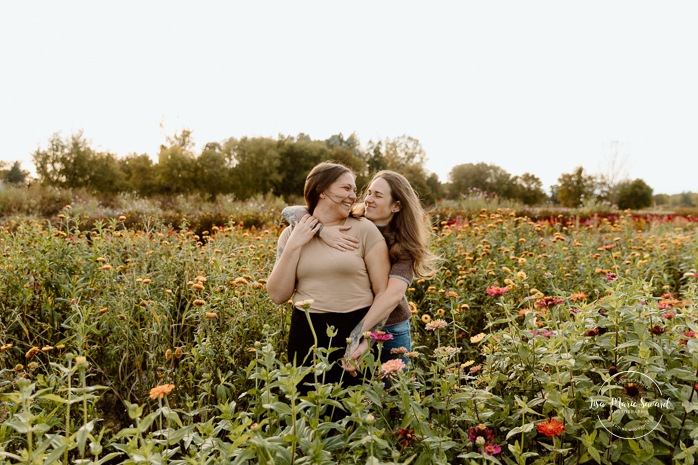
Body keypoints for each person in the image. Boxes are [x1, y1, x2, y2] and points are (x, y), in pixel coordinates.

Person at [282, 170, 439, 373]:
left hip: (390, 327)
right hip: (356, 322)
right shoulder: (354, 218)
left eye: (378, 195)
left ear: (397, 205)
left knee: (393, 392)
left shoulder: (404, 245)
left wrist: (361, 338)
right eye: (369, 193)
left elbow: (391, 296)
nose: (368, 200)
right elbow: (290, 211)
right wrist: (323, 230)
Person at [266, 162, 390, 393]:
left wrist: (367, 340)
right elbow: (277, 295)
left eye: (354, 190)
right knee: (308, 410)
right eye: (346, 188)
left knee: (352, 414)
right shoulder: (291, 233)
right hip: (306, 332)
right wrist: (295, 243)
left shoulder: (364, 230)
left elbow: (383, 293)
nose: (353, 196)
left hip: (353, 330)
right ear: (322, 190)